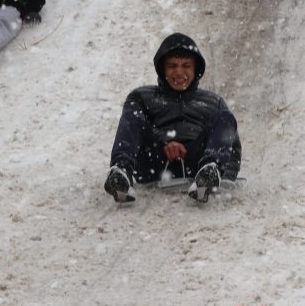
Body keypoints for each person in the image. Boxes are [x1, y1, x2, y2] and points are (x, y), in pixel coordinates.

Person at [104, 33, 242, 204]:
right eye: (172, 66)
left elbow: (232, 146)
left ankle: (209, 174)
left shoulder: (214, 102)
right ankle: (120, 175)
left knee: (225, 118)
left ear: (195, 69)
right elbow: (133, 129)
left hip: (196, 163)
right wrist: (164, 142)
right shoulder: (141, 96)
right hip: (154, 162)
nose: (179, 72)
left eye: (186, 66)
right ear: (163, 69)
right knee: (132, 116)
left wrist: (227, 178)